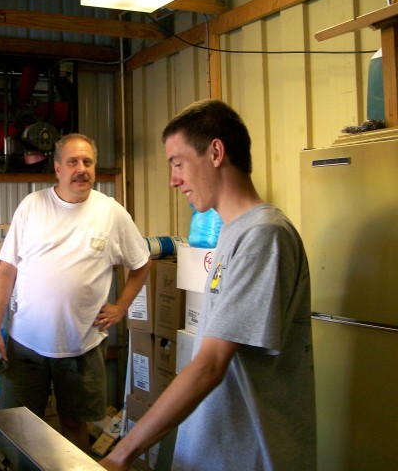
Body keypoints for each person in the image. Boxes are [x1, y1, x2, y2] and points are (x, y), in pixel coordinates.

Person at [101, 100, 316, 470]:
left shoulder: (264, 236)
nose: (173, 179)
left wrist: (121, 454)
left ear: (216, 152)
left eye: (178, 162)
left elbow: (211, 364)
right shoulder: (232, 234)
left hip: (252, 453)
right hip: (218, 451)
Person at [0, 133, 151, 452]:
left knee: (75, 423)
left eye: (88, 162)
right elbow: (6, 271)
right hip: (26, 344)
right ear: (57, 168)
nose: (81, 169)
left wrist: (121, 307)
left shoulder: (111, 212)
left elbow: (141, 264)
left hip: (82, 344)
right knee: (19, 423)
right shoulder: (32, 206)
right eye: (73, 162)